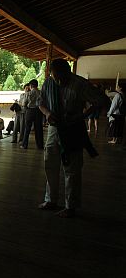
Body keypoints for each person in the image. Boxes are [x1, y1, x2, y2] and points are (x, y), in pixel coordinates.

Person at [37, 58, 101, 218]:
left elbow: (100, 100)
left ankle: (70, 206)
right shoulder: (48, 83)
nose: (58, 81)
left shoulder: (80, 84)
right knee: (50, 164)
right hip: (54, 128)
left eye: (61, 77)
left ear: (68, 72)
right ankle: (50, 199)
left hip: (73, 128)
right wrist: (48, 113)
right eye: (54, 77)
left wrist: (82, 115)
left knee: (72, 168)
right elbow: (41, 103)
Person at [20, 79, 44, 149]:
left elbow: (24, 104)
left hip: (29, 111)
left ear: (31, 86)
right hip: (39, 111)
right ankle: (40, 145)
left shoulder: (28, 93)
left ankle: (24, 145)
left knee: (27, 128)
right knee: (39, 128)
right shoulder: (41, 93)